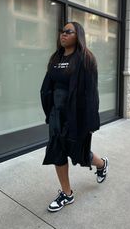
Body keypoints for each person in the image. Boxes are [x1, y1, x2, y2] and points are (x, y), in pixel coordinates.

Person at [40, 21, 109, 212]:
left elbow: (91, 94)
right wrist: (50, 110)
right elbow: (49, 86)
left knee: (79, 153)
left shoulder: (86, 59)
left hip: (75, 115)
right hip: (57, 115)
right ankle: (67, 193)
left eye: (68, 32)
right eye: (62, 31)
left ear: (78, 35)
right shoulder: (56, 58)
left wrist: (90, 121)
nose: (63, 34)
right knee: (57, 151)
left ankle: (102, 164)